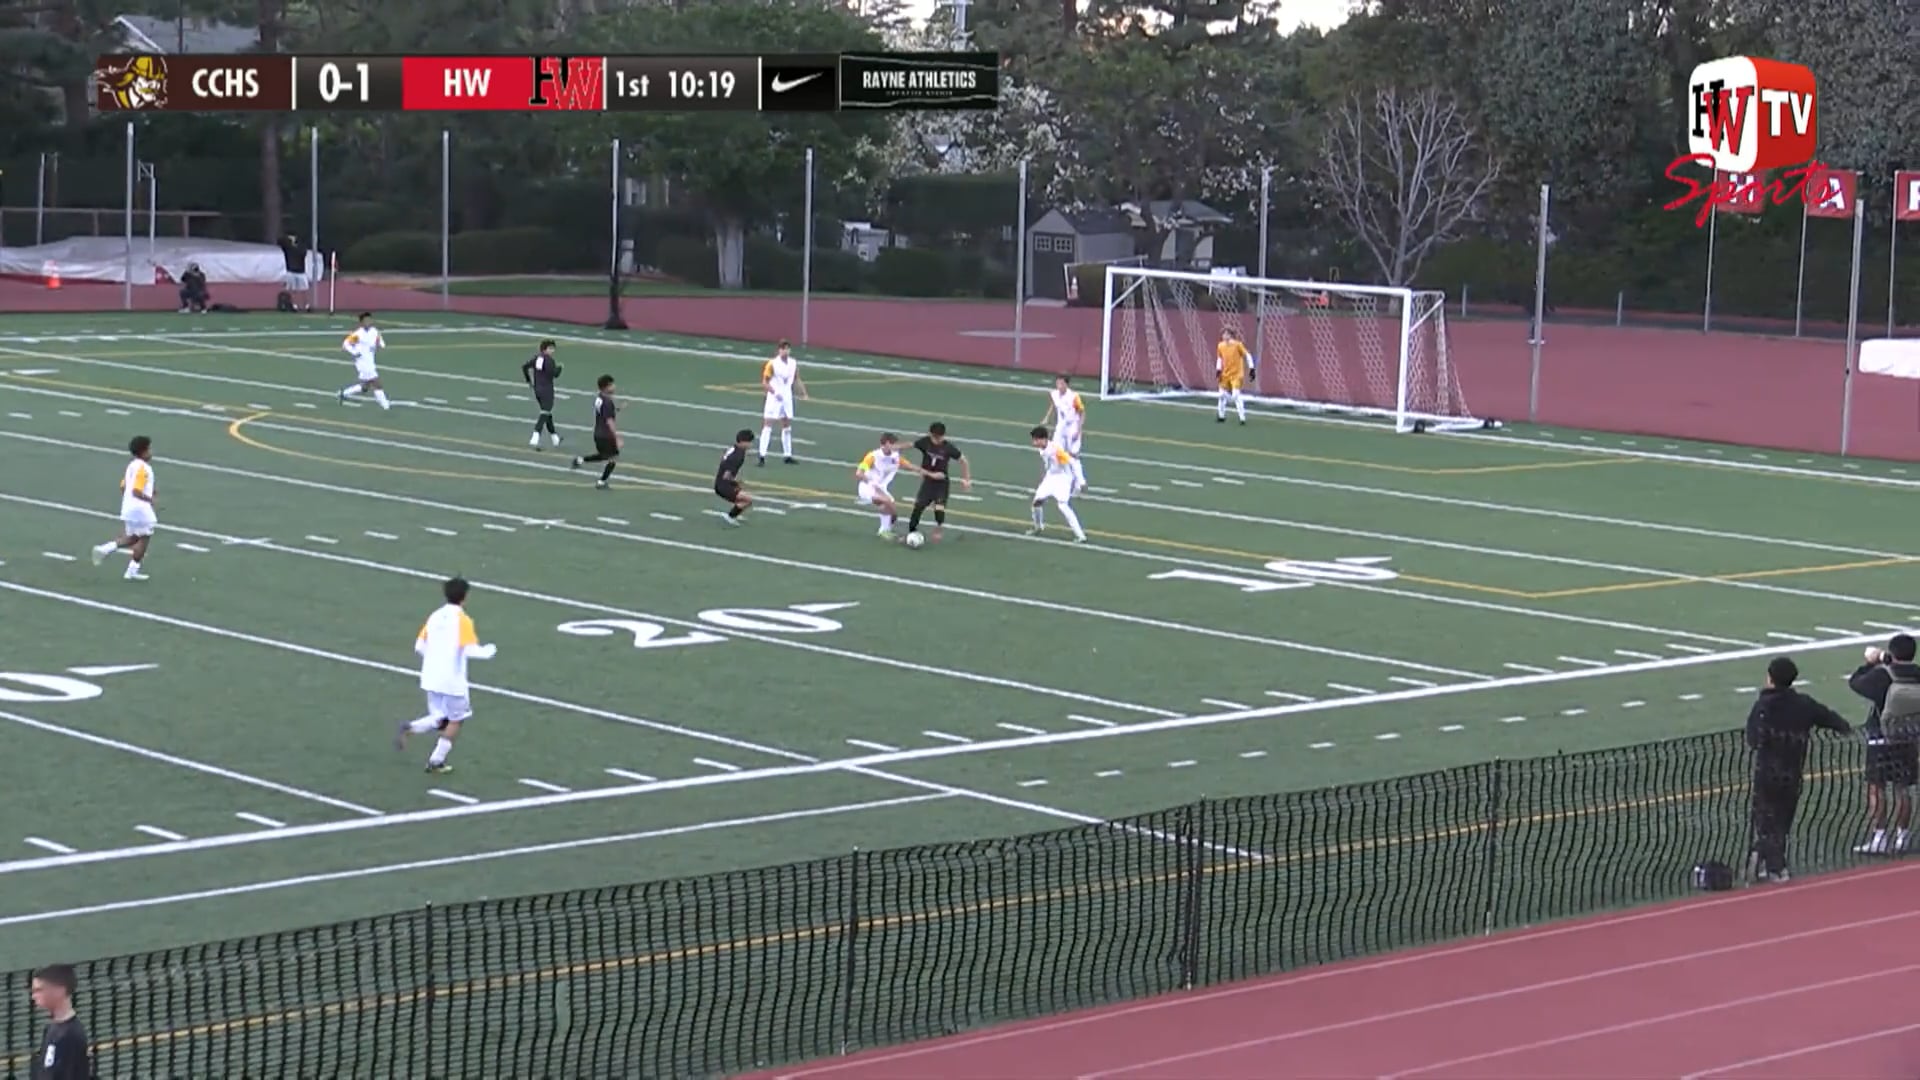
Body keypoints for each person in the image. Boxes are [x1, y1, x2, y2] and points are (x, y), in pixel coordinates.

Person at [1745, 655, 1852, 882]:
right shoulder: (1803, 703)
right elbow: (1831, 718)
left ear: (1770, 678)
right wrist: (1844, 728)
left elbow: (1753, 739)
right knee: (1783, 820)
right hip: (1792, 772)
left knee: (1765, 820)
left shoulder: (1763, 706)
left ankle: (1771, 864)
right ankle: (1767, 860)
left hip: (1766, 773)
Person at [398, 576, 496, 773]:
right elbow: (468, 649)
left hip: (430, 677)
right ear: (465, 597)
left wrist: (436, 658)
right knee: (456, 720)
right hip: (452, 680)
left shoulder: (434, 616)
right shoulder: (463, 620)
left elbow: (419, 646)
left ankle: (412, 728)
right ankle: (436, 760)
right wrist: (488, 651)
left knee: (440, 716)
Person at [1849, 635, 1920, 854]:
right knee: (1903, 788)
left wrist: (1872, 662)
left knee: (1876, 787)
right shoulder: (1918, 674)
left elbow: (1855, 682)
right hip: (1908, 737)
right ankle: (1903, 836)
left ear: (1892, 652)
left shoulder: (1882, 674)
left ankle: (1880, 837)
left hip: (1880, 737)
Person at [89, 435, 156, 581]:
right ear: (143, 452)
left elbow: (123, 486)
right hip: (140, 509)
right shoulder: (144, 468)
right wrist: (149, 498)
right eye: (149, 449)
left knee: (133, 537)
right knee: (144, 538)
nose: (151, 452)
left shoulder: (131, 466)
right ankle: (131, 572)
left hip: (128, 507)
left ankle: (104, 549)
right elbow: (136, 491)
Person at [904, 421, 971, 542]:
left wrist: (966, 479)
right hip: (928, 483)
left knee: (939, 508)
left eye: (940, 437)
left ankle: (938, 527)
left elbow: (963, 460)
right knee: (918, 507)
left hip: (941, 484)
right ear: (930, 434)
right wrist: (894, 448)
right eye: (935, 437)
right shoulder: (925, 442)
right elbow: (911, 444)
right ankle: (912, 531)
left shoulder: (948, 447)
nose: (937, 440)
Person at [29, 964, 90, 1080]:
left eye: (39, 990)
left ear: (59, 991)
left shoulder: (71, 1034)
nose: (34, 996)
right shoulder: (51, 1028)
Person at [1028, 425, 1088, 543]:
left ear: (1043, 439)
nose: (1034, 442)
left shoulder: (1056, 450)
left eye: (1035, 439)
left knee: (1063, 506)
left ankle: (1080, 535)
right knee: (1036, 502)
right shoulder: (1042, 448)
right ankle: (1038, 527)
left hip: (1063, 478)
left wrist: (1080, 481)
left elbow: (1073, 463)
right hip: (1051, 477)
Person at [854, 432, 919, 537]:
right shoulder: (872, 456)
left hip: (880, 488)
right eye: (893, 444)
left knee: (887, 505)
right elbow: (859, 474)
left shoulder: (895, 457)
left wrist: (926, 473)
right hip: (867, 487)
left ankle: (884, 530)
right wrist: (872, 484)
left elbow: (909, 466)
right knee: (887, 502)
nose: (896, 447)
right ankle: (891, 519)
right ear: (887, 443)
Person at [757, 339, 808, 466]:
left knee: (787, 425)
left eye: (787, 348)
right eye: (783, 348)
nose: (785, 351)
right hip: (774, 398)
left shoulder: (793, 363)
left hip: (787, 398)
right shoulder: (772, 364)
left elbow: (796, 379)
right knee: (768, 424)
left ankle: (787, 454)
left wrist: (803, 392)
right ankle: (762, 455)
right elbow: (765, 382)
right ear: (779, 350)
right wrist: (774, 392)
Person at [1040, 374, 1088, 493]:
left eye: (1061, 383)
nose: (1059, 386)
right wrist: (1047, 418)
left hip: (1072, 426)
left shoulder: (1074, 397)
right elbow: (1054, 404)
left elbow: (1082, 413)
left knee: (1073, 455)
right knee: (1055, 451)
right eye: (1058, 383)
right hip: (1061, 426)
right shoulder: (1055, 394)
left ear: (1067, 384)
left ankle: (1080, 482)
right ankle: (1055, 477)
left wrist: (1078, 429)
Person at [570, 375, 620, 488]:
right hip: (606, 434)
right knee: (613, 458)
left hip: (598, 433)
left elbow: (603, 412)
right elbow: (609, 420)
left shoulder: (599, 398)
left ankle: (580, 460)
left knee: (603, 456)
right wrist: (617, 438)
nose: (614, 387)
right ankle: (602, 481)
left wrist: (617, 409)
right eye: (612, 384)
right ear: (606, 387)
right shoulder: (607, 401)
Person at [336, 312, 390, 410]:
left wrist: (380, 345)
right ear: (361, 322)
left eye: (370, 320)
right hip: (362, 362)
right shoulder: (358, 334)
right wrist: (355, 352)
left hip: (370, 360)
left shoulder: (375, 332)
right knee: (376, 383)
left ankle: (343, 393)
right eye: (366, 320)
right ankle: (385, 405)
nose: (368, 322)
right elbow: (346, 344)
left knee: (365, 387)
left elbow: (381, 343)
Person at [521, 339, 562, 450]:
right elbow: (554, 374)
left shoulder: (537, 358)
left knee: (547, 413)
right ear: (545, 349)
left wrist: (529, 381)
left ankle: (555, 438)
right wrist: (560, 368)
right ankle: (535, 435)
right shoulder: (549, 361)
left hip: (537, 389)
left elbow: (524, 367)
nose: (553, 351)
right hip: (547, 390)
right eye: (551, 348)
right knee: (545, 413)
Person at [715, 428, 756, 524]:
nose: (751, 445)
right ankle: (730, 517)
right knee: (748, 500)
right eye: (749, 442)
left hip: (722, 483)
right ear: (742, 442)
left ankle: (732, 515)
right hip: (724, 486)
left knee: (743, 499)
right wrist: (737, 482)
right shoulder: (737, 456)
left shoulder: (734, 449)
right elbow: (727, 476)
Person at [1216, 328, 1251, 424]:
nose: (1224, 336)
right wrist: (1218, 370)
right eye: (1223, 334)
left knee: (1235, 395)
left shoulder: (1237, 345)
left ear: (1230, 335)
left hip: (1236, 375)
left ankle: (1242, 417)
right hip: (1225, 374)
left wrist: (1251, 368)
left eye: (1226, 334)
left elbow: (1247, 355)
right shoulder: (1220, 345)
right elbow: (1219, 358)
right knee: (1221, 396)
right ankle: (1221, 416)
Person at [280, 233, 311, 311]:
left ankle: (306, 305)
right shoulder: (287, 247)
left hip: (300, 271)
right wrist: (288, 239)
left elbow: (303, 253)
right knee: (292, 289)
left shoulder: (301, 247)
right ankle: (294, 305)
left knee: (304, 289)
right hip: (291, 271)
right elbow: (281, 242)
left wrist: (294, 245)